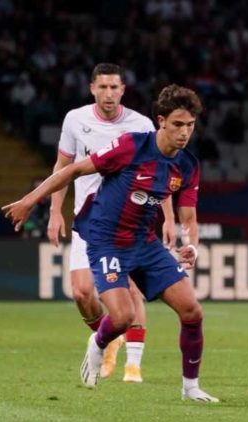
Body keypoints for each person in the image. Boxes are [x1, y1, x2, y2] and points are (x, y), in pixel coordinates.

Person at [4, 84, 218, 402]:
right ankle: (99, 343)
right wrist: (31, 200)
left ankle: (191, 388)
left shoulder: (187, 165)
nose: (184, 132)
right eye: (177, 124)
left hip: (145, 245)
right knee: (121, 317)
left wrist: (192, 245)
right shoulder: (131, 146)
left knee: (192, 311)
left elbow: (189, 217)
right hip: (107, 242)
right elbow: (75, 168)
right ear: (161, 121)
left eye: (190, 125)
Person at [46, 63, 176, 384]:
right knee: (80, 293)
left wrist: (169, 218)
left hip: (129, 220)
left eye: (114, 87)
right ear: (92, 88)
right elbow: (63, 166)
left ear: (123, 90)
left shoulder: (141, 125)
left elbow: (161, 171)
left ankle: (133, 366)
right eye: (102, 87)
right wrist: (53, 212)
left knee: (130, 288)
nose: (108, 93)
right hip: (87, 220)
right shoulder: (75, 120)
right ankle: (110, 337)